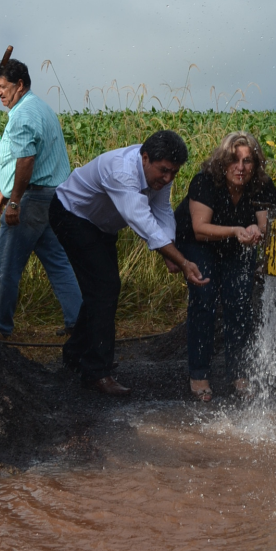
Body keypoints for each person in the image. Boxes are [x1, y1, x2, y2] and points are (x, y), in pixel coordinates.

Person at [50, 130, 208, 397]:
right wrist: (179, 260)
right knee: (105, 287)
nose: (168, 178)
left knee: (103, 288)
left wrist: (170, 249)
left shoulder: (160, 172)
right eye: (164, 171)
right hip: (72, 215)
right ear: (145, 158)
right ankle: (96, 373)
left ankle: (76, 355)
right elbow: (142, 221)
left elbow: (161, 210)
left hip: (102, 224)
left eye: (174, 173)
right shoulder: (121, 171)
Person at [175, 131, 276, 402]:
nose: (240, 168)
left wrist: (257, 230)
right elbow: (199, 228)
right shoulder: (205, 182)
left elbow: (267, 226)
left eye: (247, 161)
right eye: (234, 160)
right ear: (222, 162)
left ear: (256, 164)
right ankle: (199, 374)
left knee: (240, 302)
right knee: (204, 298)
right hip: (200, 243)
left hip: (236, 245)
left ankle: (238, 373)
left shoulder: (263, 186)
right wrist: (236, 230)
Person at [0, 59, 82, 340]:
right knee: (58, 261)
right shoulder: (39, 107)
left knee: (6, 264)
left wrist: (14, 201)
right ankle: (79, 322)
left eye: (2, 87)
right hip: (51, 197)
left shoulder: (23, 115)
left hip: (32, 200)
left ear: (20, 85)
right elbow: (31, 157)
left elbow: (27, 159)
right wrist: (6, 187)